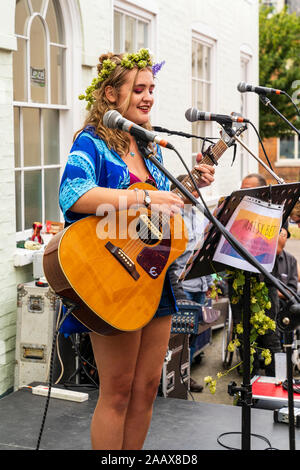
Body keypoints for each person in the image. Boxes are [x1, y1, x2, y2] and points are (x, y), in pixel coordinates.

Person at [58, 49, 215, 450]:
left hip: (150, 274)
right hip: (109, 279)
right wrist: (143, 201)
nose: (148, 97)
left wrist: (188, 185)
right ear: (111, 94)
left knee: (147, 390)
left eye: (151, 89)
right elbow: (73, 194)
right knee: (118, 392)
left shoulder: (151, 149)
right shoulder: (91, 143)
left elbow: (157, 217)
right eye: (138, 89)